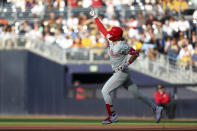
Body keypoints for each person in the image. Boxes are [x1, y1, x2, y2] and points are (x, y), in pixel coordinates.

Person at [89, 8, 163, 124]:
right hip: (122, 72)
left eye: (112, 33)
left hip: (120, 72)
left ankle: (112, 115)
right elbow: (103, 29)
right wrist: (95, 17)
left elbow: (136, 53)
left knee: (105, 91)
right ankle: (156, 108)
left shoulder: (122, 45)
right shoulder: (111, 39)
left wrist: (127, 63)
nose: (110, 34)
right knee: (137, 93)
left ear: (117, 36)